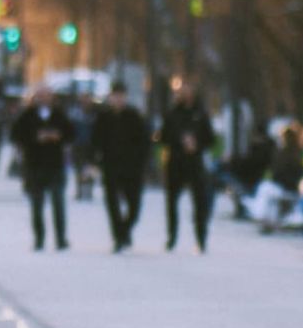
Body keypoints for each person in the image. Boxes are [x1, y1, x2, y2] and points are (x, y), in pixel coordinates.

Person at [157, 79, 219, 253]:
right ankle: (172, 237)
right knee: (172, 202)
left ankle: (201, 238)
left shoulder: (200, 114)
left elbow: (210, 139)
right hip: (175, 162)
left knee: (199, 202)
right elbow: (163, 137)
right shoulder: (172, 113)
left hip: (195, 163)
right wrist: (179, 141)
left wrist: (196, 143)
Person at [7, 88, 72, 250]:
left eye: (47, 96)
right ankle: (39, 238)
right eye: (41, 96)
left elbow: (71, 133)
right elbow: (15, 135)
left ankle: (61, 238)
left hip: (55, 164)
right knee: (37, 204)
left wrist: (58, 136)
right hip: (34, 164)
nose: (44, 99)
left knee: (58, 202)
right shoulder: (28, 116)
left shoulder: (59, 115)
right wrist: (35, 137)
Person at [90, 85, 151, 253]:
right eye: (115, 96)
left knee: (134, 205)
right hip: (110, 166)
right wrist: (95, 160)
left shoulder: (134, 116)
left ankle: (124, 230)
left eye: (121, 96)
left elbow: (144, 142)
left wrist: (141, 161)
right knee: (112, 203)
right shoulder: (103, 118)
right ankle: (118, 236)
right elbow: (96, 141)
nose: (118, 100)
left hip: (132, 167)